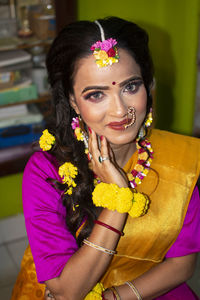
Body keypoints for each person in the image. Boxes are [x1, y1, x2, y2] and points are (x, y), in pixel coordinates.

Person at [11, 16, 200, 300]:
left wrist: (113, 298)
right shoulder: (47, 171)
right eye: (96, 94)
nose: (119, 111)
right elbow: (66, 292)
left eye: (130, 87)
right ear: (73, 101)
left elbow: (182, 265)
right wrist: (118, 200)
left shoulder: (181, 161)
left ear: (148, 87)